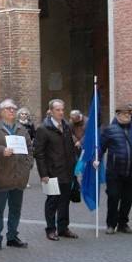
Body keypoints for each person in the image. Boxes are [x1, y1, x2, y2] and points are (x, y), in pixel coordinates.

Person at [0, 98, 33, 250]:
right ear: (2, 112)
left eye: (13, 108)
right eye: (9, 108)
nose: (12, 111)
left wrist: (28, 165)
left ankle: (12, 236)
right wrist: (0, 150)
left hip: (19, 177)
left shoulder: (22, 129)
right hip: (1, 176)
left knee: (15, 209)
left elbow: (30, 148)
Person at [95, 104, 132, 235]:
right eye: (124, 114)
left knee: (127, 199)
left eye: (129, 114)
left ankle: (123, 223)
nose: (127, 116)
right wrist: (96, 158)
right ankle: (111, 224)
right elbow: (101, 147)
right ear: (118, 115)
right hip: (114, 171)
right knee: (113, 197)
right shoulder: (109, 130)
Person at [34, 99, 78, 241]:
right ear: (51, 111)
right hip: (52, 173)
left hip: (67, 171)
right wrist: (43, 174)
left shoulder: (66, 126)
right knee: (52, 201)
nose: (61, 112)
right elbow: (39, 153)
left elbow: (71, 148)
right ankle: (51, 229)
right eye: (58, 110)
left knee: (65, 201)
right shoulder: (43, 129)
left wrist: (74, 168)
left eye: (62, 109)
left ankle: (63, 228)